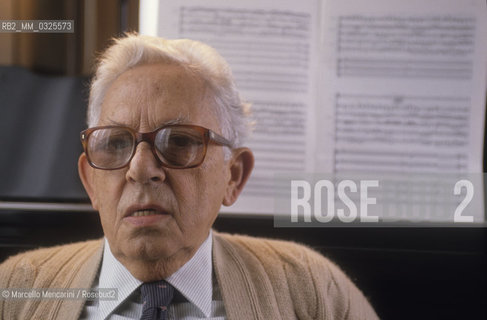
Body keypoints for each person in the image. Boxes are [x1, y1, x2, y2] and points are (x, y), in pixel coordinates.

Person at [0, 33, 378, 320]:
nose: (141, 169)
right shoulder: (13, 290)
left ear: (233, 176)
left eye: (179, 142)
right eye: (116, 143)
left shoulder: (311, 289)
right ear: (89, 181)